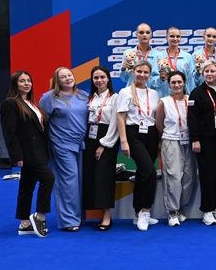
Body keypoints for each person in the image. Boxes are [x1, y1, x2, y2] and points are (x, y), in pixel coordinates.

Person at [1, 71, 54, 237]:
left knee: (27, 186)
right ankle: (40, 216)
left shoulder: (32, 103)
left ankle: (24, 223)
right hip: (27, 153)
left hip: (39, 151)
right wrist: (17, 156)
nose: (26, 83)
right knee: (48, 178)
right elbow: (9, 132)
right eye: (22, 81)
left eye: (29, 80)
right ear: (15, 84)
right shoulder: (10, 103)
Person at [40, 67, 89, 232]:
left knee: (79, 181)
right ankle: (69, 220)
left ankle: (79, 217)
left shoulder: (83, 95)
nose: (67, 78)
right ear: (57, 80)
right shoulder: (49, 97)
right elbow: (40, 122)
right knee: (68, 182)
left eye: (69, 75)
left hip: (81, 144)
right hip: (61, 145)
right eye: (63, 77)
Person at [115, 61, 161, 231]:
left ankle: (136, 214)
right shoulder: (125, 92)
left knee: (143, 173)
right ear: (133, 72)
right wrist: (124, 141)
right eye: (139, 71)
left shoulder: (154, 93)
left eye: (146, 72)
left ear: (150, 74)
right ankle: (146, 211)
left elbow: (156, 119)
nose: (142, 75)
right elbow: (120, 118)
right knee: (149, 171)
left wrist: (159, 141)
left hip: (151, 134)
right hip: (134, 134)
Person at [188, 60, 216, 226]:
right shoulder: (196, 93)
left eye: (212, 71)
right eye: (206, 71)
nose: (209, 74)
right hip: (205, 140)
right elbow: (192, 118)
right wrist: (195, 139)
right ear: (202, 74)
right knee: (207, 175)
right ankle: (207, 210)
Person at [155, 71, 197, 226]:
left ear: (184, 83)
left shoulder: (191, 99)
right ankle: (172, 211)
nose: (177, 85)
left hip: (189, 141)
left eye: (179, 82)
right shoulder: (164, 102)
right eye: (173, 82)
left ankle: (180, 208)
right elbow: (159, 124)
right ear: (169, 85)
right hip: (171, 141)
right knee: (173, 177)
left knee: (189, 177)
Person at [83, 66, 119, 231]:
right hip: (90, 136)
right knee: (90, 174)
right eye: (96, 77)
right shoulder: (89, 98)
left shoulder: (114, 98)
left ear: (108, 78)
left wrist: (104, 144)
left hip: (107, 138)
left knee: (103, 176)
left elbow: (115, 123)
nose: (99, 80)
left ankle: (106, 215)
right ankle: (88, 212)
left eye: (102, 77)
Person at [149, 26, 196, 97]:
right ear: (166, 38)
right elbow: (152, 80)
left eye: (178, 36)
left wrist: (192, 96)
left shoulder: (187, 57)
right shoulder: (158, 56)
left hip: (183, 97)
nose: (175, 39)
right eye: (172, 36)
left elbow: (190, 79)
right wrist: (160, 79)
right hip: (164, 96)